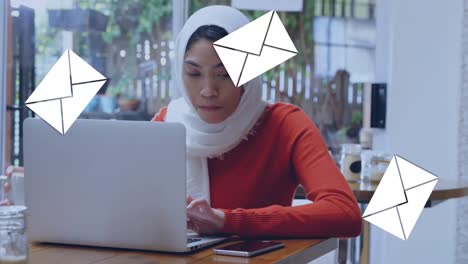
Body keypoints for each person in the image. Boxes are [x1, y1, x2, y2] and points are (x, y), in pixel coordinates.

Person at [3, 5, 362, 238]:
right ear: (179, 71)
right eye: (193, 73)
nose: (207, 90)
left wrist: (227, 220)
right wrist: (31, 193)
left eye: (223, 75)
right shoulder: (168, 123)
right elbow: (121, 207)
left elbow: (345, 215)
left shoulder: (286, 124)